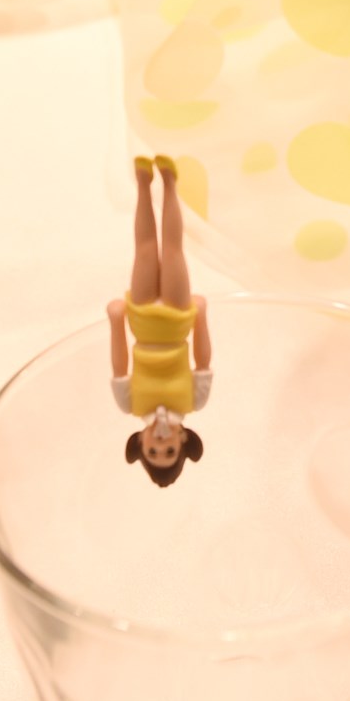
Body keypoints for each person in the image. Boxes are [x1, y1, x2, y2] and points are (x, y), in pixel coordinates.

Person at [108, 154, 211, 487]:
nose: (161, 445)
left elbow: (120, 366)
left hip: (142, 324)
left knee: (145, 250)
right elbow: (202, 361)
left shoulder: (129, 404)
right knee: (172, 250)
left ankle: (142, 184)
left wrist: (116, 323)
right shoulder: (195, 400)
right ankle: (168, 183)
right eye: (169, 452)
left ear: (140, 443)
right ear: (183, 441)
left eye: (153, 452)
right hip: (177, 322)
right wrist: (201, 317)